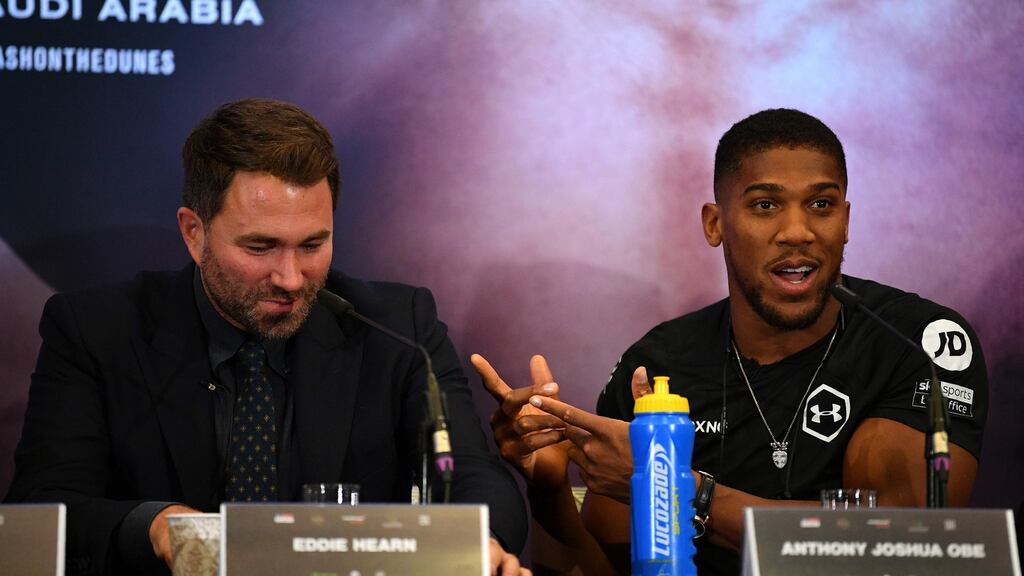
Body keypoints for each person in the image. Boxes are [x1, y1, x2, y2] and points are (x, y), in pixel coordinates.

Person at [6, 98, 529, 576]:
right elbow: (43, 508)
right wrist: (156, 525)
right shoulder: (98, 331)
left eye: (312, 245)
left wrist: (473, 541)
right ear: (194, 232)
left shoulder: (398, 327)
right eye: (261, 247)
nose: (291, 277)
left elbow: (473, 475)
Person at [473, 108, 987, 575]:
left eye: (821, 204)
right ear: (715, 224)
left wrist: (678, 488)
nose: (798, 230)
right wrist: (548, 488)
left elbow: (893, 543)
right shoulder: (657, 363)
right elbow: (600, 569)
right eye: (765, 205)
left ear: (846, 221)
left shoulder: (921, 342)